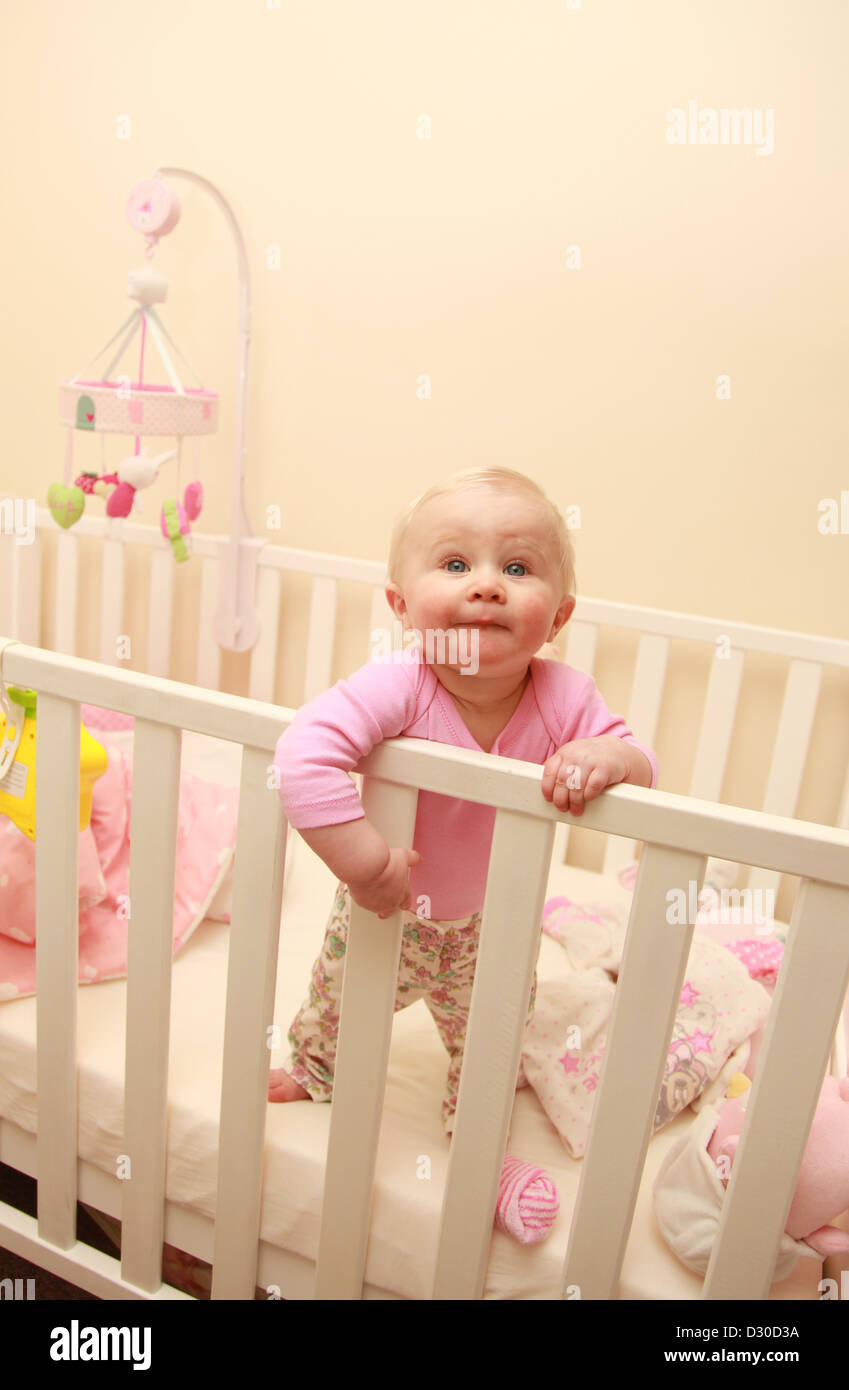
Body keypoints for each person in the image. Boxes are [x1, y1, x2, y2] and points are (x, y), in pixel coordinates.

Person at [268, 466, 658, 1244]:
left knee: (494, 1037)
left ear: (559, 616)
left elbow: (639, 766)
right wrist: (366, 864)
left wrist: (602, 757)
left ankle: (479, 1143)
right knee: (336, 1008)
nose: (486, 586)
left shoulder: (565, 698)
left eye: (516, 569)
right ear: (400, 605)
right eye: (455, 565)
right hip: (387, 911)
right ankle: (315, 1072)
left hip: (492, 923)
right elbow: (301, 756)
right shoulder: (397, 685)